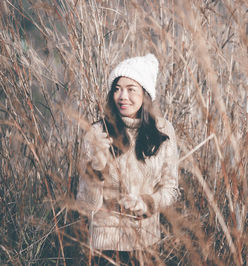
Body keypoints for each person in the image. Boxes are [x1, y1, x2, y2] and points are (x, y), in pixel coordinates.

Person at [76, 54, 179, 264]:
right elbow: (85, 205)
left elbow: (171, 189)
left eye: (131, 89)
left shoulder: (163, 131)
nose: (122, 96)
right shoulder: (97, 133)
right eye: (117, 89)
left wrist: (148, 203)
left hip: (147, 245)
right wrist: (97, 166)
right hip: (105, 250)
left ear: (145, 94)